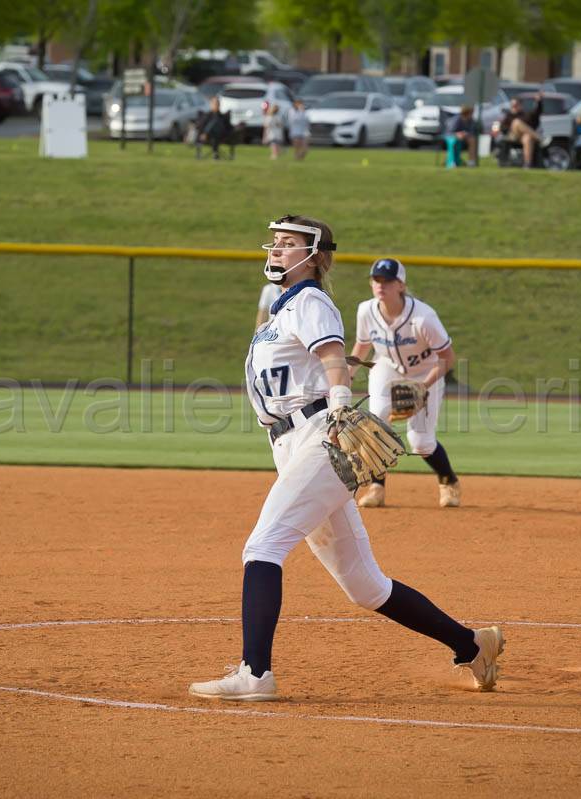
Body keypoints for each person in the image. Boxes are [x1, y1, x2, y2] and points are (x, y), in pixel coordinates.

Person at [188, 214, 504, 701]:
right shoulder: (281, 309)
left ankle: (256, 674)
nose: (276, 250)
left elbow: (333, 356)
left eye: (288, 243)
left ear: (313, 256)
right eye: (274, 242)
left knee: (264, 546)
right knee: (364, 585)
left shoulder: (310, 300)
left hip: (321, 435)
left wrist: (338, 402)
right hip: (290, 442)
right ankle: (472, 644)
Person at [349, 258, 462, 509]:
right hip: (386, 367)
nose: (381, 285)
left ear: (401, 285)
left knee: (421, 442)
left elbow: (447, 358)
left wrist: (425, 385)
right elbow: (363, 345)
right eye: (376, 280)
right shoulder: (366, 311)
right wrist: (347, 373)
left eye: (388, 281)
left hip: (425, 373)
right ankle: (377, 487)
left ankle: (449, 481)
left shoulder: (423, 318)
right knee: (376, 420)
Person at [493, 92, 544, 168]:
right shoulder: (508, 116)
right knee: (516, 122)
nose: (514, 107)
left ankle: (527, 164)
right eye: (512, 106)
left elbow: (537, 113)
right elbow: (501, 127)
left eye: (516, 105)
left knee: (527, 138)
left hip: (522, 137)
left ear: (520, 105)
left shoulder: (526, 115)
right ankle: (539, 138)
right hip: (512, 136)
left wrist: (538, 101)